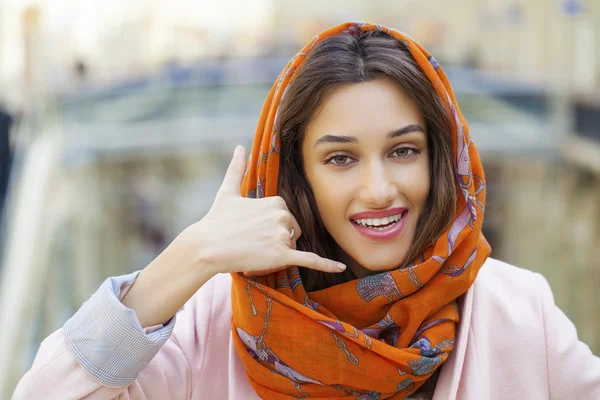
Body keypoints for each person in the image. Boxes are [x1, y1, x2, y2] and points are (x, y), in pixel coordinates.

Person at [13, 22, 600, 400]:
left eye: (403, 151)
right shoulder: (217, 324)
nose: (378, 190)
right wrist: (193, 255)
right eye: (341, 159)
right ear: (300, 176)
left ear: (440, 159)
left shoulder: (518, 313)